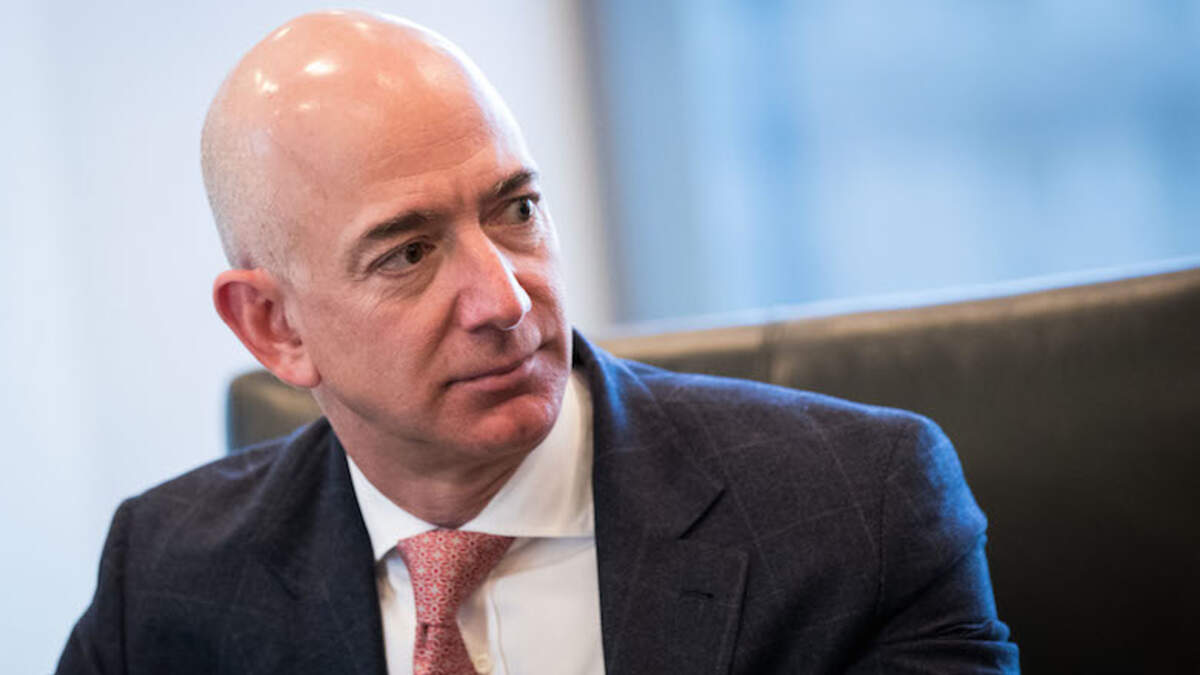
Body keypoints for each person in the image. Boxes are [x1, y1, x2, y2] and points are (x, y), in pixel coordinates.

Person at [56, 10, 1018, 674]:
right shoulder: (166, 578)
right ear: (275, 326)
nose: (506, 298)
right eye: (408, 252)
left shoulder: (856, 511)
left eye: (515, 209)